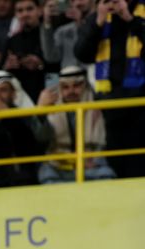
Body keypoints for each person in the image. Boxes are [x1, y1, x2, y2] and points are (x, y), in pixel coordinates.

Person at [74, 0, 145, 178]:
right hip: (111, 102)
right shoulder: (97, 19)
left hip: (141, 101)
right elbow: (82, 54)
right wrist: (98, 22)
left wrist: (130, 19)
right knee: (118, 161)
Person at [35, 66, 117, 182]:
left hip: (91, 165)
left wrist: (93, 159)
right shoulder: (51, 108)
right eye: (65, 87)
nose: (71, 91)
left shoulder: (98, 106)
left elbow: (105, 143)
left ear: (85, 86)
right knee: (47, 175)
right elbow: (42, 138)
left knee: (106, 176)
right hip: (60, 166)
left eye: (76, 86)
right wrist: (41, 112)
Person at [4, 0, 49, 103]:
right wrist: (8, 67)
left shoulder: (49, 34)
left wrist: (40, 65)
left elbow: (59, 63)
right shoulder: (12, 40)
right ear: (15, 14)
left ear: (40, 10)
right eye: (20, 11)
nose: (25, 14)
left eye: (29, 9)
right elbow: (2, 72)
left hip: (45, 94)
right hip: (20, 98)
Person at [42, 0, 95, 70]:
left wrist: (81, 22)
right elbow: (52, 57)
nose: (78, 3)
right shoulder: (62, 31)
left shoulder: (101, 25)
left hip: (93, 75)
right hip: (69, 77)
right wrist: (47, 22)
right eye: (73, 1)